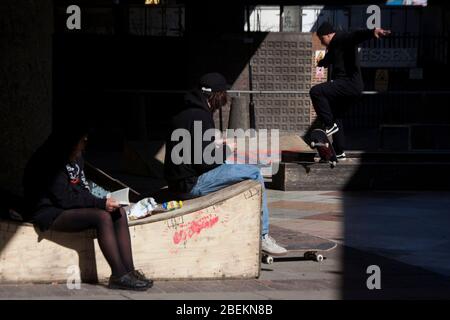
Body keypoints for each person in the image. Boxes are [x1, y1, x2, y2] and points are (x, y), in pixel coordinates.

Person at [164, 72, 287, 256]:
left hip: (178, 181)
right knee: (254, 173)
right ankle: (262, 236)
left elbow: (193, 150)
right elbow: (205, 162)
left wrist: (216, 145)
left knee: (233, 165)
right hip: (191, 183)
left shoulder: (184, 113)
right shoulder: (200, 117)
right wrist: (227, 148)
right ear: (217, 96)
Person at [23, 126, 152, 291]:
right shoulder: (49, 159)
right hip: (49, 212)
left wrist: (104, 202)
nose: (85, 144)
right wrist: (100, 204)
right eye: (82, 140)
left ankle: (129, 271)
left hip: (67, 208)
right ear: (69, 141)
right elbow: (64, 199)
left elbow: (82, 190)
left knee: (117, 212)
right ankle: (118, 275)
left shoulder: (76, 157)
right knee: (102, 217)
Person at [310, 22, 391, 159]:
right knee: (336, 115)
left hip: (348, 84)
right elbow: (330, 57)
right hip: (350, 87)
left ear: (329, 35)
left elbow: (355, 35)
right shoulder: (334, 46)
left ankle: (329, 125)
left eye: (322, 39)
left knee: (316, 92)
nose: (322, 43)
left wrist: (372, 32)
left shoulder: (342, 38)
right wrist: (322, 63)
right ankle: (340, 151)